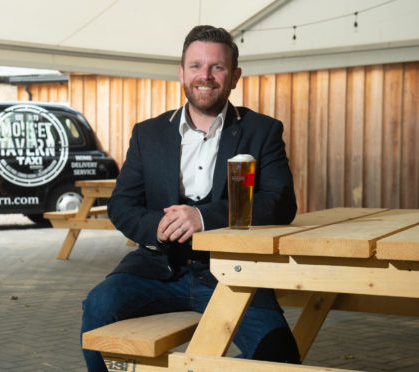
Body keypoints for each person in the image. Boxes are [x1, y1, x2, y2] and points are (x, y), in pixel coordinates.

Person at [81, 25, 300, 371]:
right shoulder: (148, 134)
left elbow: (281, 204)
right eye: (196, 66)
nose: (206, 76)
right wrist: (158, 225)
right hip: (155, 268)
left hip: (232, 272)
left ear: (235, 76)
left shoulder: (263, 131)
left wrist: (204, 218)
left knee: (280, 353)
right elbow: (121, 204)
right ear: (181, 73)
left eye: (218, 67)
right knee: (98, 306)